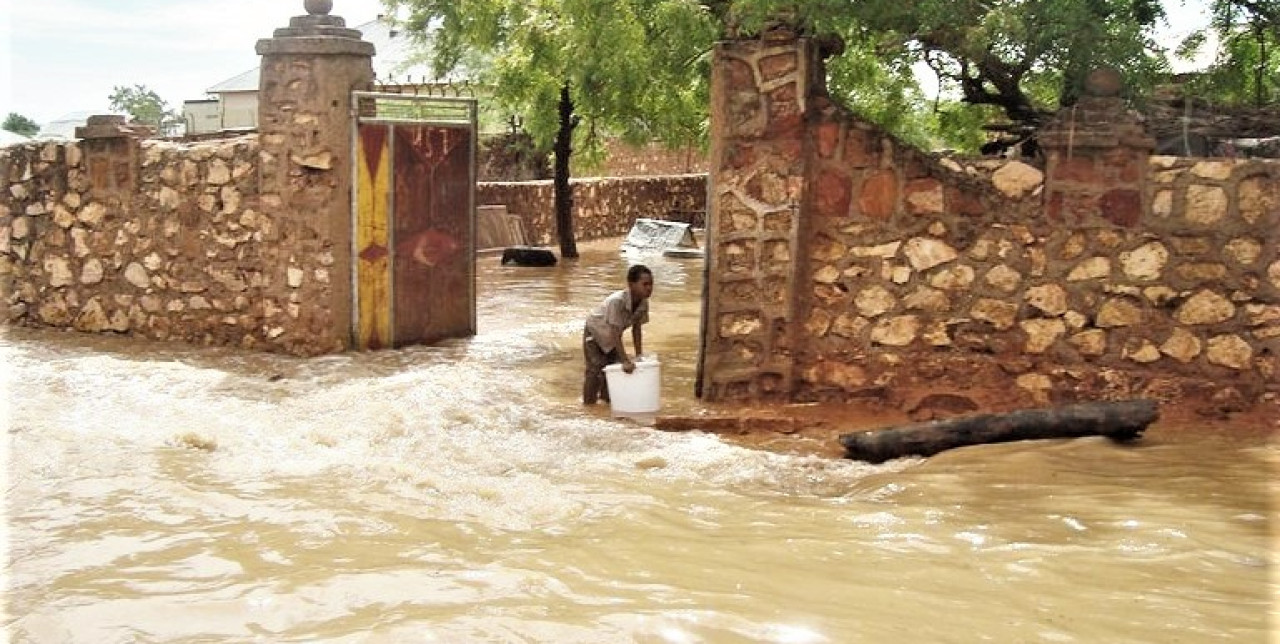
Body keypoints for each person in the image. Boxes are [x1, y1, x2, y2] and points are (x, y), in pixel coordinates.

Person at [583, 264, 654, 405]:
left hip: (612, 337)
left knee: (614, 371)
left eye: (651, 284)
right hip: (595, 332)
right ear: (631, 285)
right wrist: (625, 360)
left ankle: (605, 403)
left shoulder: (643, 303)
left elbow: (637, 330)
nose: (649, 288)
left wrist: (639, 355)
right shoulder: (617, 301)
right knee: (595, 369)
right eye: (644, 284)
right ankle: (588, 406)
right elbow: (615, 333)